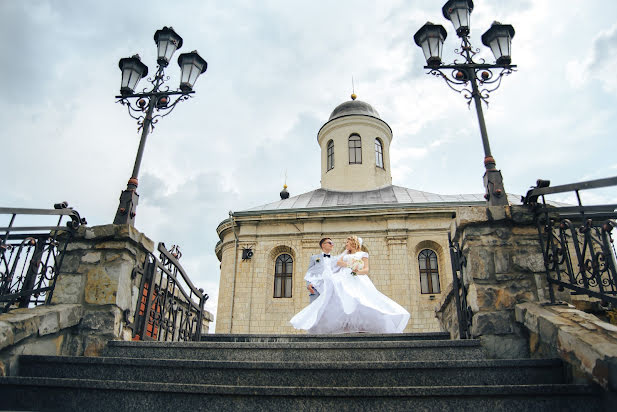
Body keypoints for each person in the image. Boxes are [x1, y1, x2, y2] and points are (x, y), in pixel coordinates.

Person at [290, 235, 410, 334]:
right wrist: (350, 264)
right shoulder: (345, 254)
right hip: (344, 277)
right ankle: (337, 325)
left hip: (357, 277)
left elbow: (366, 270)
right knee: (339, 298)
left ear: (353, 242)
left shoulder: (363, 254)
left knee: (360, 299)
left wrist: (357, 270)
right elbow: (338, 262)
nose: (345, 244)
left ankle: (362, 326)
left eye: (347, 242)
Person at [305, 237, 336, 302]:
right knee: (315, 310)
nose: (332, 245)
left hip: (330, 288)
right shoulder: (314, 258)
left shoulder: (335, 259)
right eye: (330, 243)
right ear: (323, 245)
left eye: (332, 243)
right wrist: (308, 285)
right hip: (316, 287)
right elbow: (309, 272)